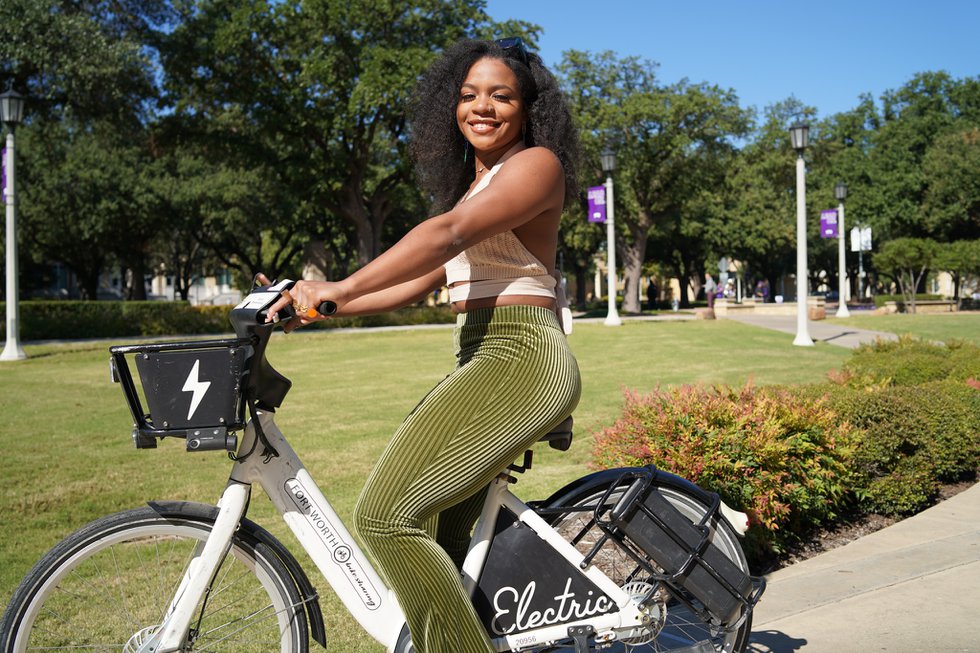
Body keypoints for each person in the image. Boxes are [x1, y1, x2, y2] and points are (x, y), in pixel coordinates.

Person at [263, 37, 581, 653]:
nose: (481, 107)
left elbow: (447, 235)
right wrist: (322, 306)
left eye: (500, 95)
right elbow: (421, 281)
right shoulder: (478, 185)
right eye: (468, 96)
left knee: (385, 517)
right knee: (438, 535)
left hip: (523, 360)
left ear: (528, 108)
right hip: (483, 357)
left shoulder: (536, 165)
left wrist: (341, 283)